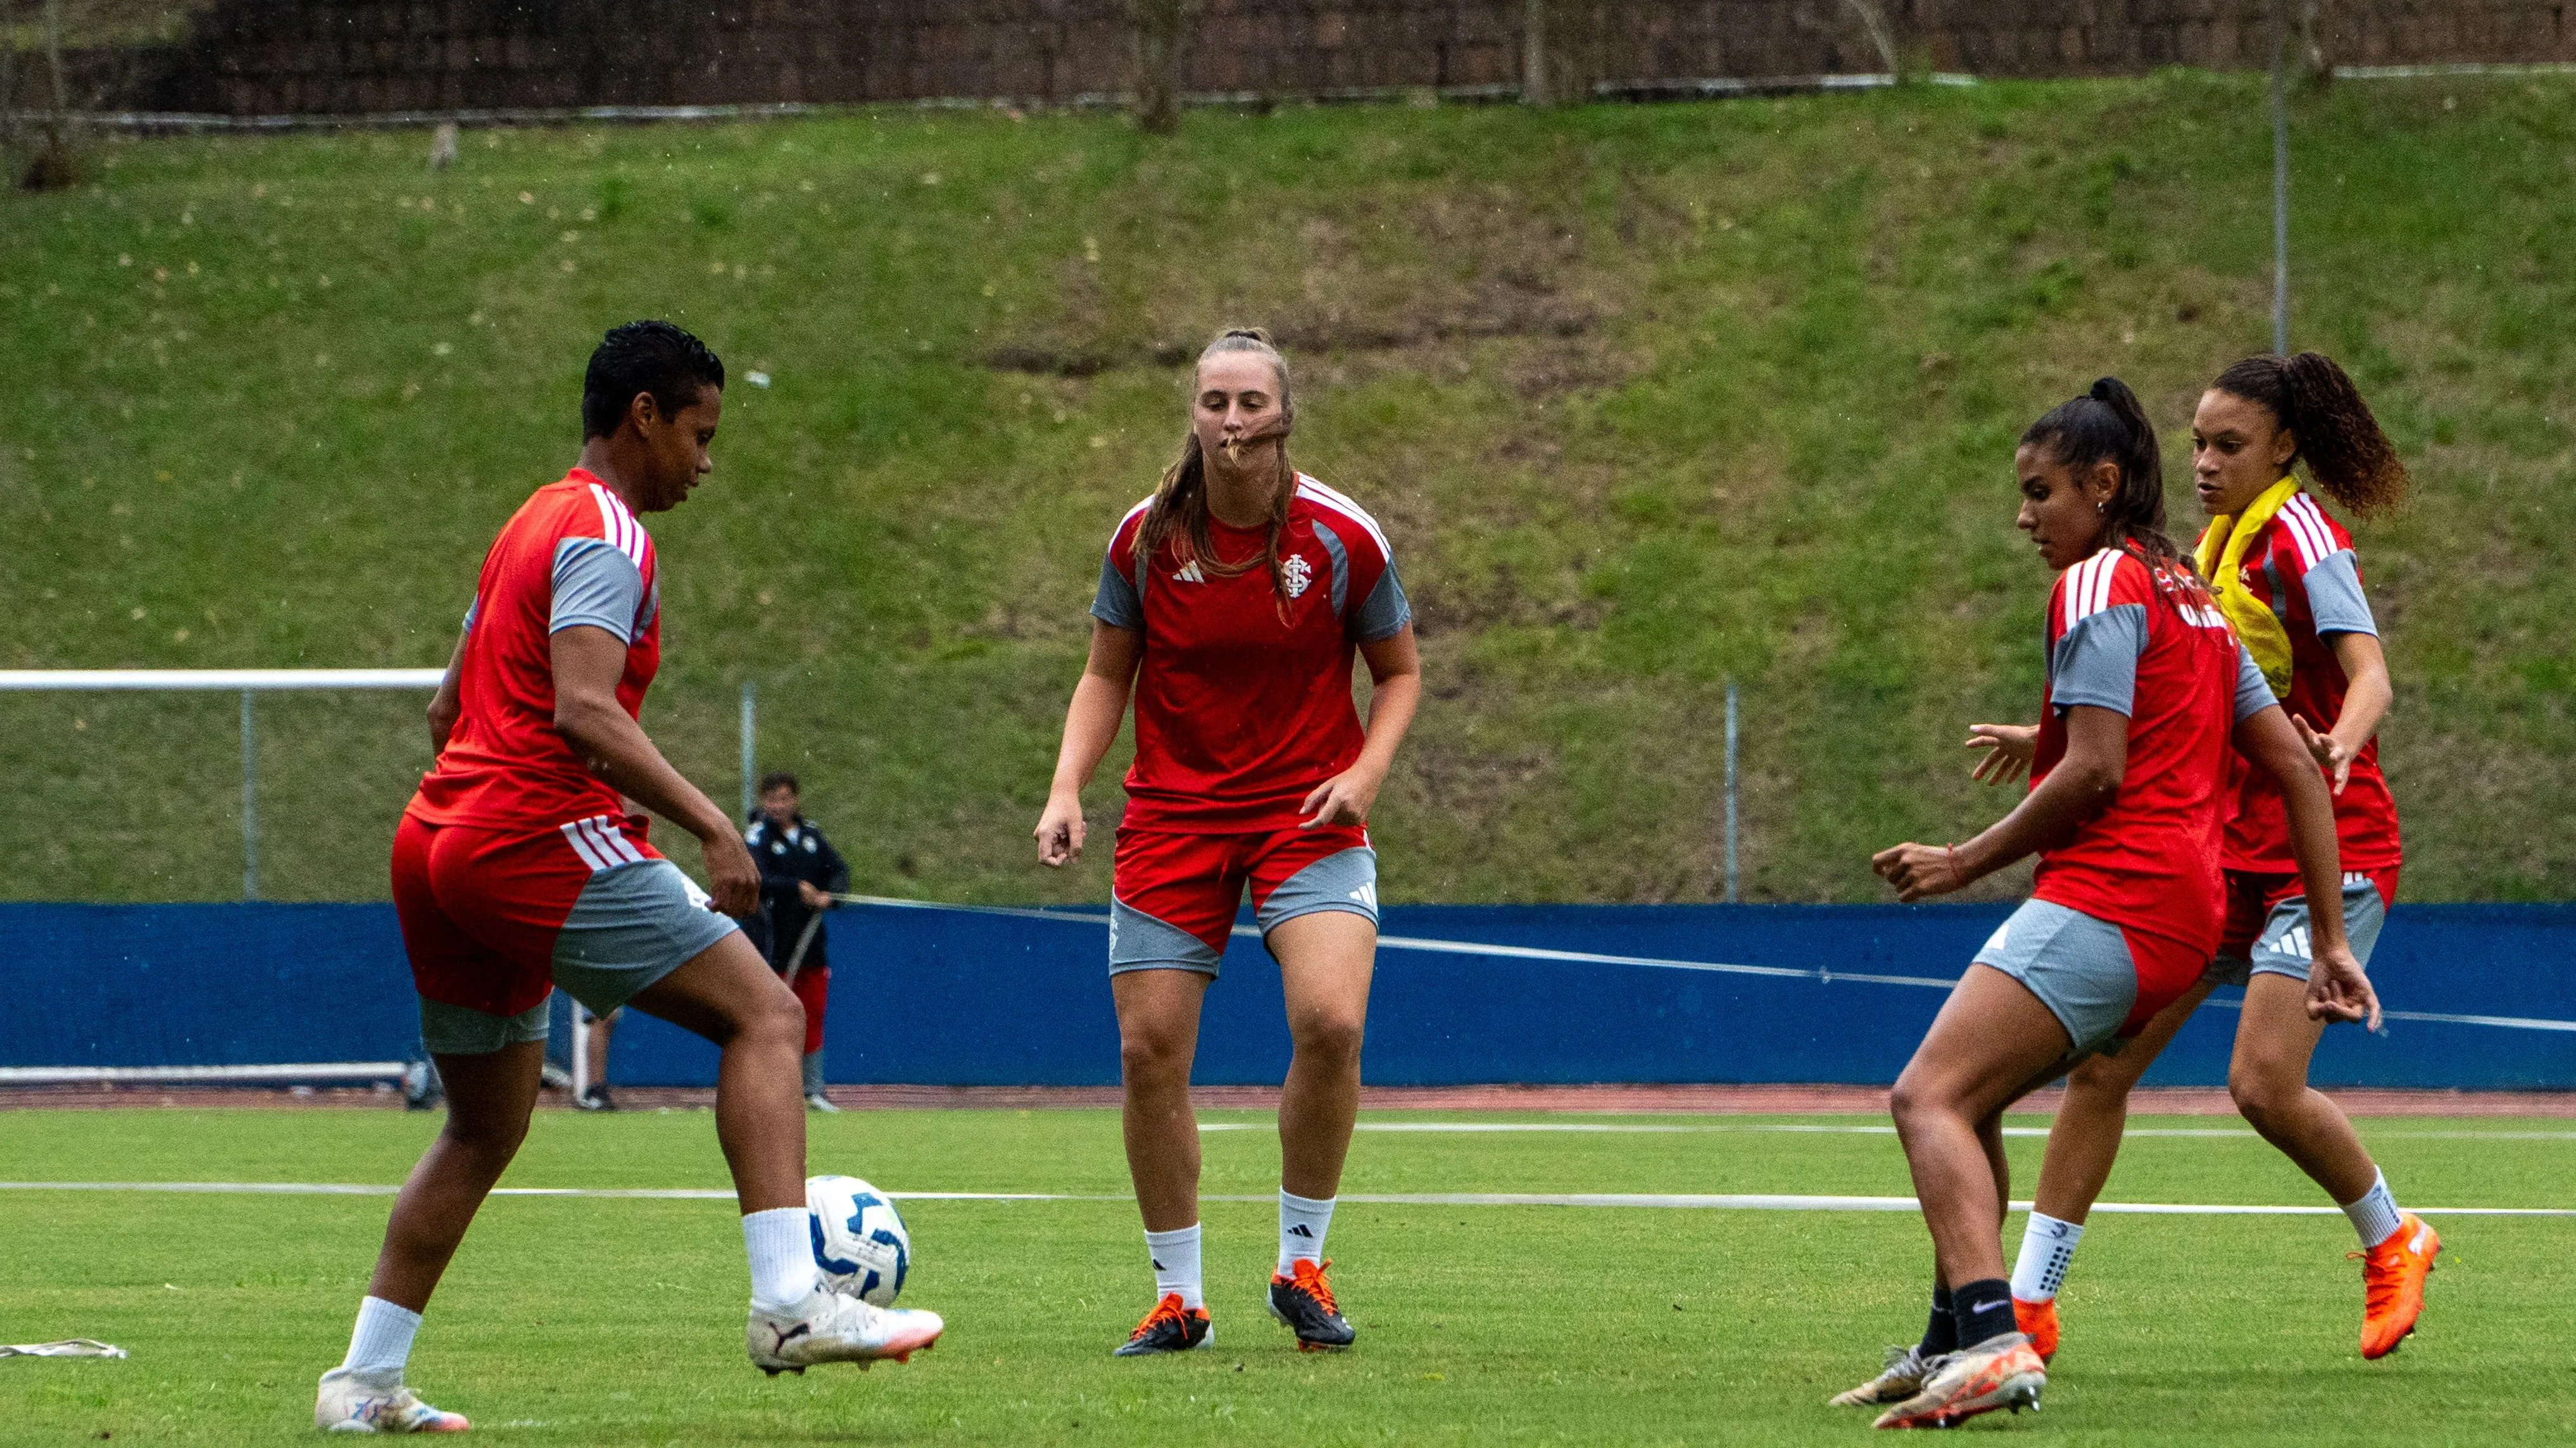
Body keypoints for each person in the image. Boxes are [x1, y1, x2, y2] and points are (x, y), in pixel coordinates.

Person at [316, 321, 941, 1434]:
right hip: (528, 829)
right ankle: (792, 1300)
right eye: (699, 433)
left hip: (437, 836)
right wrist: (712, 825)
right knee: (764, 1014)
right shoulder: (609, 532)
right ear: (643, 415)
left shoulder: (527, 522)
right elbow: (583, 709)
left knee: (481, 1126)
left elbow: (444, 707)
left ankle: (362, 1383)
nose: (707, 460)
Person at [1837, 378, 2375, 1428]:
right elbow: (2300, 772)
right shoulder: (2189, 598)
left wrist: (1962, 857)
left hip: (2113, 896)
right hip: (2184, 914)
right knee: (1974, 1098)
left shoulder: (2093, 584)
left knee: (1924, 1097)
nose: (2023, 516)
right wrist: (2321, 939)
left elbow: (2094, 769)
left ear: (2100, 483)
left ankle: (1992, 1338)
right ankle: (1950, 1339)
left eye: (2038, 492)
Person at [1978, 353, 2434, 1364]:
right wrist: (2045, 737)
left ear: (2282, 445)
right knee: (2105, 1068)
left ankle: (2393, 1236)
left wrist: (2345, 744)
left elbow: (2371, 676)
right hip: (2221, 851)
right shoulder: (2206, 552)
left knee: (2263, 1084)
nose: (2203, 462)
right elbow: (2183, 706)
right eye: (2194, 442)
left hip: (2331, 848)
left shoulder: (2300, 533)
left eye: (2228, 444)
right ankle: (2030, 1302)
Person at [1034, 328, 1421, 1357]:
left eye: (1250, 401)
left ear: (1283, 414)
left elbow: (1400, 672)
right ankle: (1177, 1297)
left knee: (1331, 1020)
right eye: (1213, 401)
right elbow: (1103, 673)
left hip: (1309, 811)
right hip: (1172, 812)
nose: (1231, 419)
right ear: (1192, 415)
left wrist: (1365, 772)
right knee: (1147, 1048)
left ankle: (1301, 1261)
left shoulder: (1343, 537)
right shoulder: (1141, 538)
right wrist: (1066, 785)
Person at [745, 771, 851, 1112]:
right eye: (771, 799)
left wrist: (829, 896)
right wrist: (795, 888)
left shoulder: (810, 835)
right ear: (763, 801)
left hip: (811, 945)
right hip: (773, 944)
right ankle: (772, 1088)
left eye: (784, 798)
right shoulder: (758, 836)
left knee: (813, 1014)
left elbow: (839, 871)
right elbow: (757, 877)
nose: (778, 806)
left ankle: (813, 1089)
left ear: (795, 800)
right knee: (774, 1018)